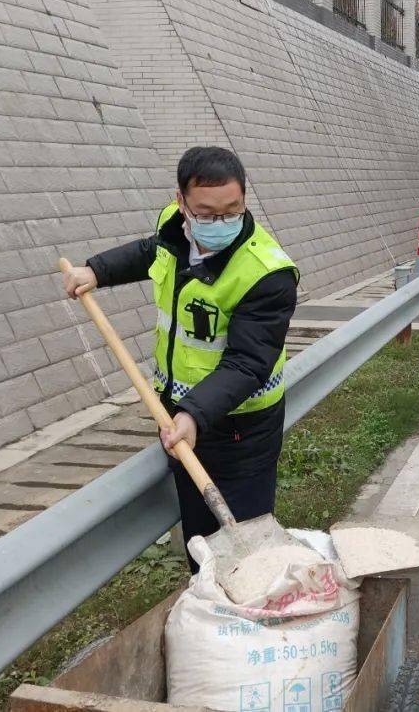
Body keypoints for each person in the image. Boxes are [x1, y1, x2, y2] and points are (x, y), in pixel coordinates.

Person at [64, 146, 298, 571]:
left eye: (233, 210)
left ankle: (245, 622)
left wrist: (192, 414)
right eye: (206, 214)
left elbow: (247, 363)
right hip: (181, 417)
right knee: (200, 541)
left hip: (241, 429)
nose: (220, 222)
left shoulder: (267, 273)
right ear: (182, 204)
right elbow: (150, 251)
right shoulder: (175, 230)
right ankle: (206, 605)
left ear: (245, 198)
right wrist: (95, 271)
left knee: (245, 547)